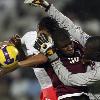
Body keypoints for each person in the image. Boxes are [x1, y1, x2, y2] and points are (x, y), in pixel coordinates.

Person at [24, 0, 100, 99]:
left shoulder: (98, 73)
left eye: (87, 50)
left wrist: (54, 58)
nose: (83, 50)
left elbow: (69, 80)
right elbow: (69, 26)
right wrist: (47, 7)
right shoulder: (89, 42)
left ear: (97, 55)